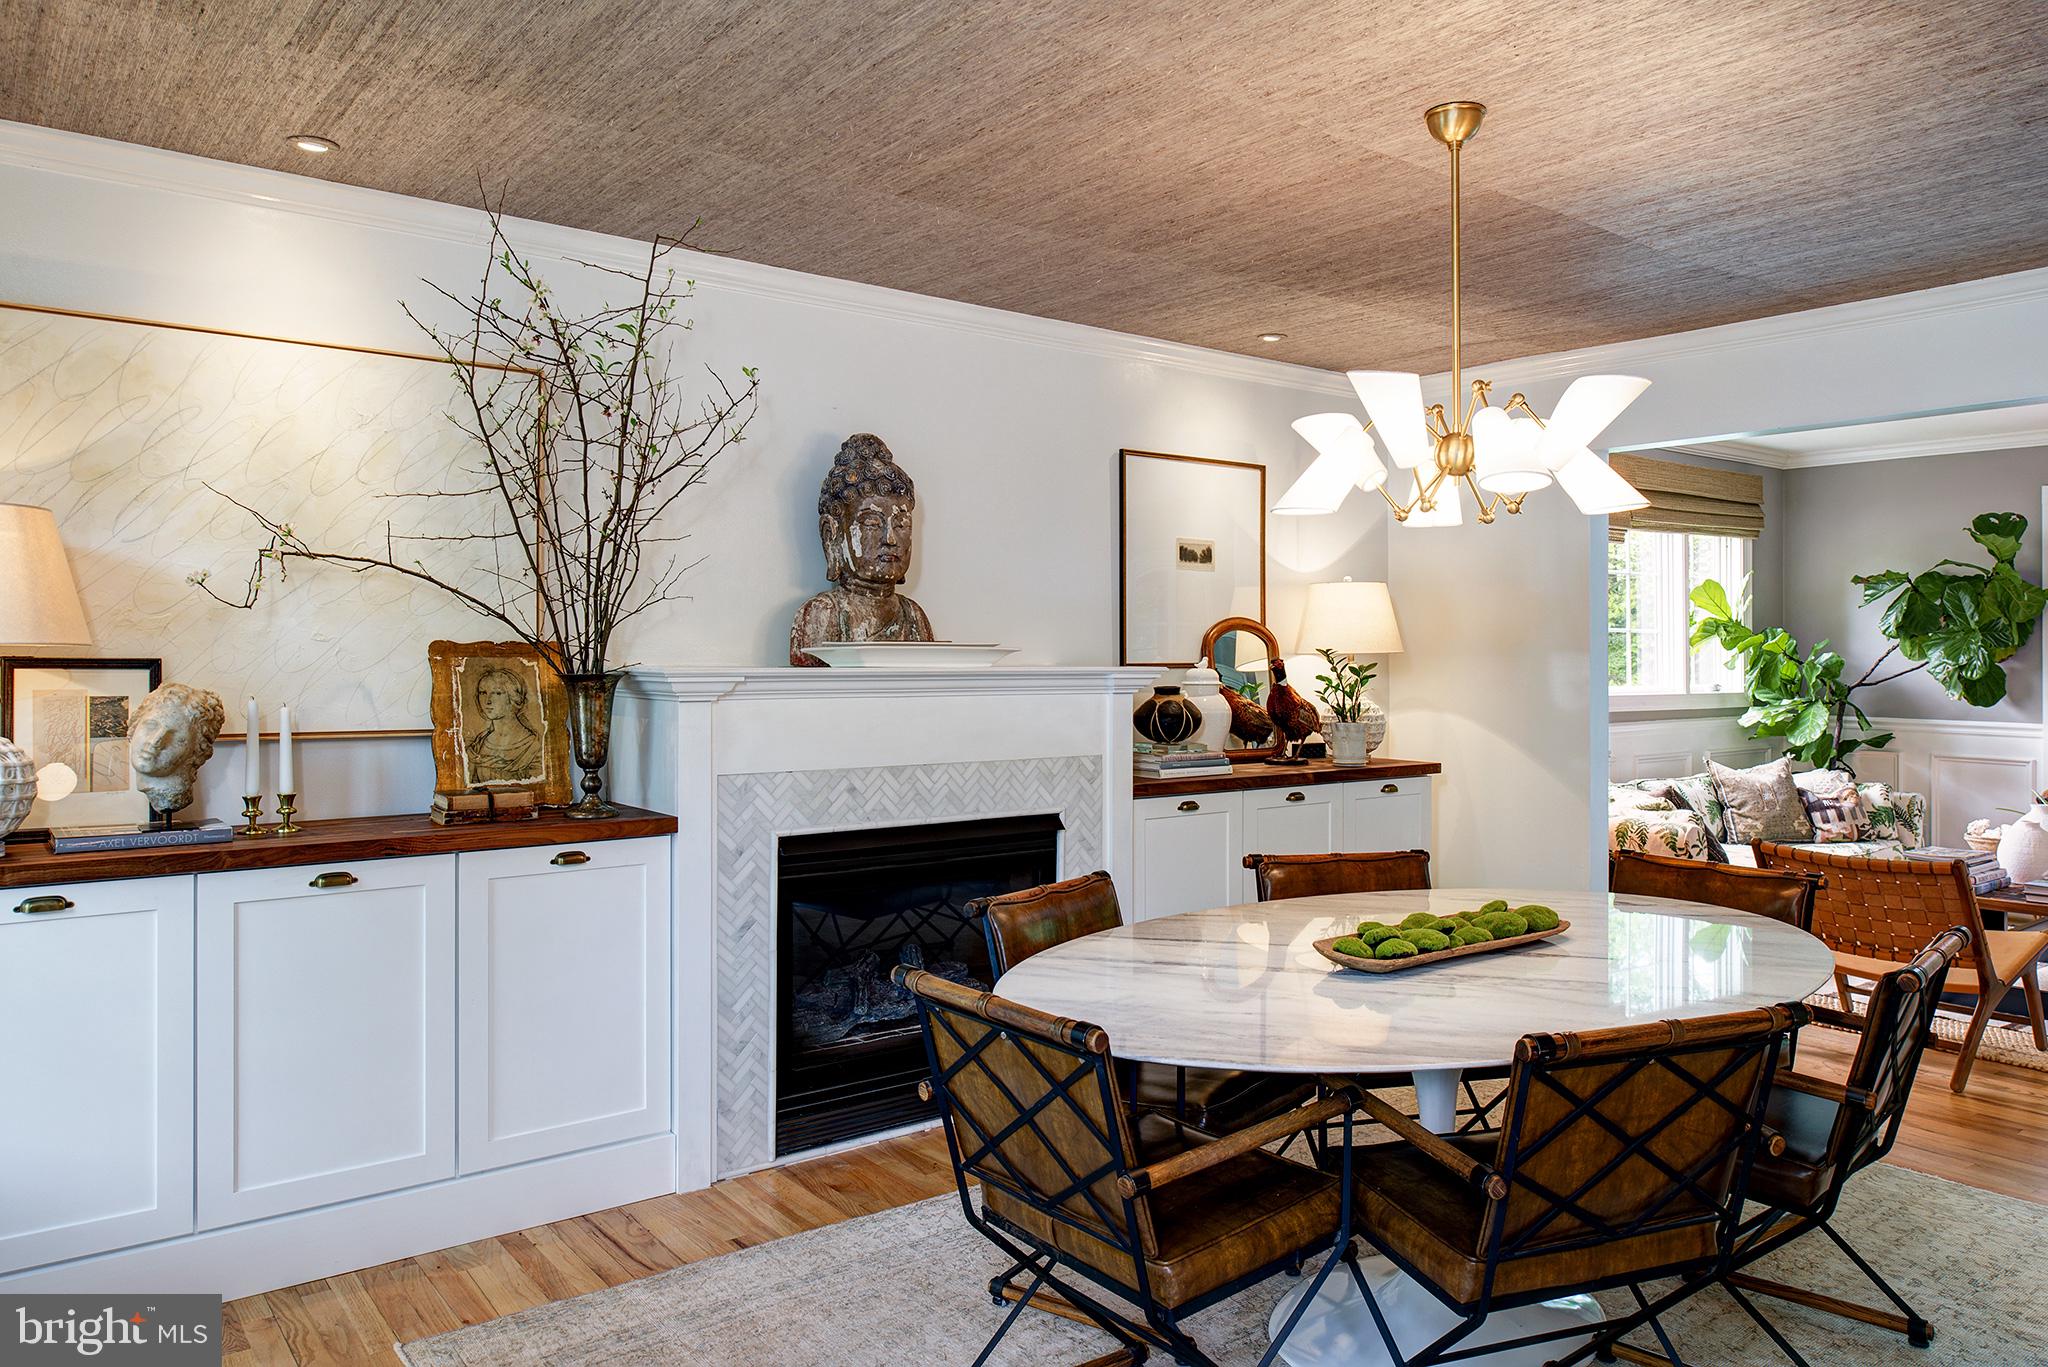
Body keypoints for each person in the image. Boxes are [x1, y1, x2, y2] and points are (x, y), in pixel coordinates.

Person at [790, 434, 935, 665]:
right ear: (832, 534)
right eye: (872, 524)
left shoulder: (914, 616)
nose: (890, 538)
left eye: (901, 524)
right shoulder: (825, 613)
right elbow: (811, 696)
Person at [464, 664, 544, 783]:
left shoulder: (533, 746)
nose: (488, 701)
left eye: (497, 693)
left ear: (514, 698)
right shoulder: (479, 744)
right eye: (483, 693)